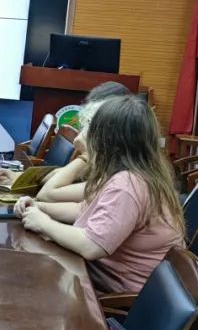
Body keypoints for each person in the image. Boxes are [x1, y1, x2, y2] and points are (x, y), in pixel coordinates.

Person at [14, 95, 183, 294]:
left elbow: (92, 246)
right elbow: (85, 209)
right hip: (105, 279)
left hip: (124, 298)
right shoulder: (136, 173)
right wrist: (39, 207)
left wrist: (44, 223)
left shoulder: (128, 185)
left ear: (108, 141)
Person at [35, 81, 135, 203]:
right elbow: (52, 178)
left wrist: (87, 153)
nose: (84, 129)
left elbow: (46, 194)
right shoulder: (107, 159)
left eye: (90, 121)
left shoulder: (121, 175)